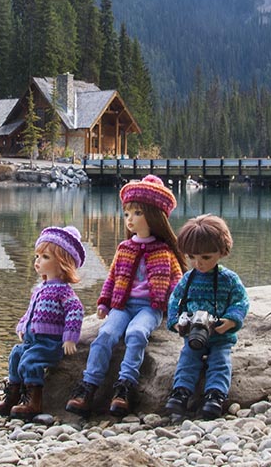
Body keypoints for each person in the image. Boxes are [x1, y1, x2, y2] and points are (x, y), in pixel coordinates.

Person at [66, 174, 185, 417]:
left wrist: (177, 311)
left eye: (137, 213)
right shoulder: (124, 248)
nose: (130, 219)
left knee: (137, 333)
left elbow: (176, 284)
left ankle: (125, 387)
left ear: (155, 216)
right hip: (122, 305)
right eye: (127, 213)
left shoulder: (164, 251)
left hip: (149, 307)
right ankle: (88, 386)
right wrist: (104, 302)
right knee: (105, 335)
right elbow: (112, 278)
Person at [0, 226, 85, 420]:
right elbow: (30, 312)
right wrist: (22, 326)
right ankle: (13, 395)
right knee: (17, 354)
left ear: (63, 264)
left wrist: (69, 338)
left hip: (48, 343)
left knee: (31, 360)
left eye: (45, 257)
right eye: (37, 256)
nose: (37, 261)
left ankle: (34, 401)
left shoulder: (63, 291)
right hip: (32, 340)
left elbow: (75, 311)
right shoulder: (39, 289)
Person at [164, 214, 249, 419]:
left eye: (205, 257)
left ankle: (215, 395)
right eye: (192, 257)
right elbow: (174, 301)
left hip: (220, 337)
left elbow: (241, 301)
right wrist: (177, 322)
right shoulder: (188, 278)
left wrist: (230, 320)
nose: (198, 263)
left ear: (221, 252)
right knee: (187, 359)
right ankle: (181, 392)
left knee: (220, 361)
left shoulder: (228, 279)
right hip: (193, 335)